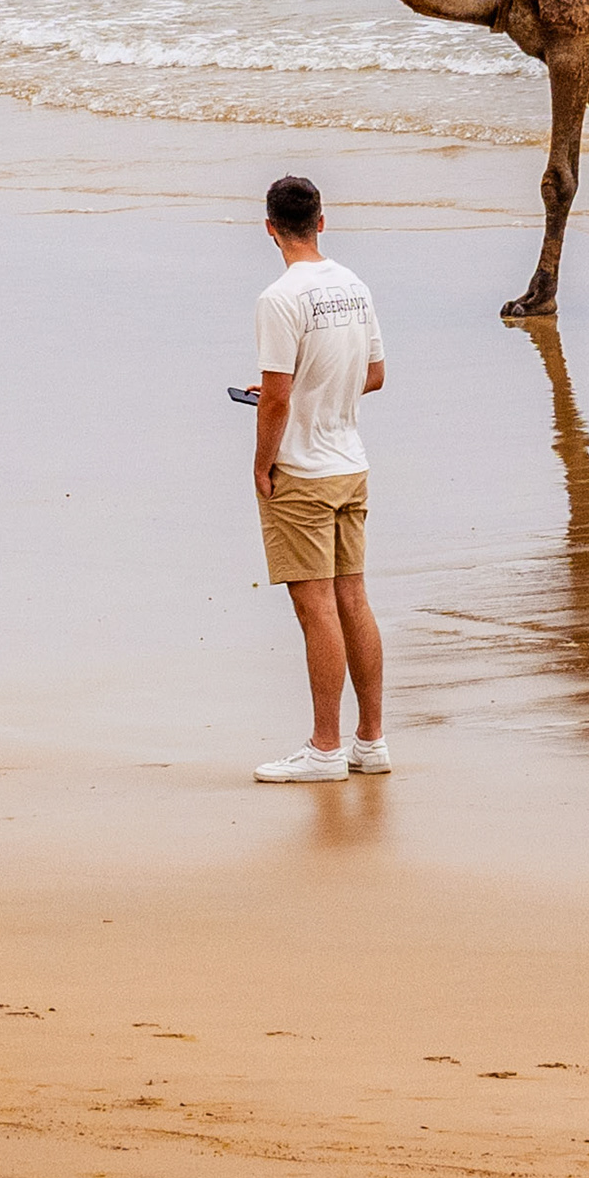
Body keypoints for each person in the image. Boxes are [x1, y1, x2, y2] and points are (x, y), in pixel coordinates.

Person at [246, 173, 390, 783]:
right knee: (353, 598)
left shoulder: (279, 298)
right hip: (350, 462)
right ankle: (370, 741)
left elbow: (276, 398)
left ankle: (325, 748)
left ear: (270, 228)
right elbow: (374, 373)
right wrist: (312, 391)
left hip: (302, 470)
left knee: (316, 610)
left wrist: (261, 463)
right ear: (322, 222)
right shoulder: (354, 286)